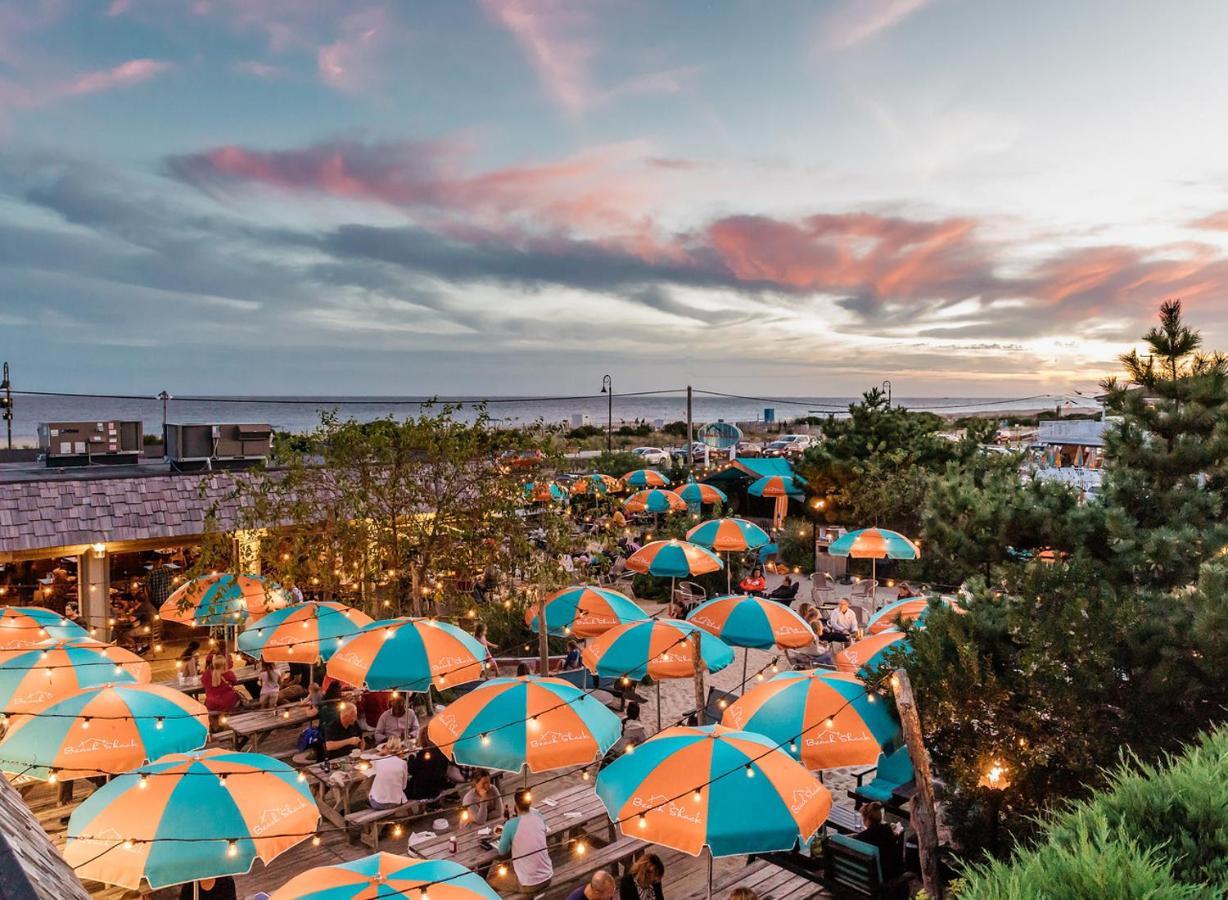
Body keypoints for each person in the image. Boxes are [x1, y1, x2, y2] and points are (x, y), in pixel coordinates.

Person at [496, 790, 553, 893]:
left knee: (492, 880)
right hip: (548, 877)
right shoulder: (539, 816)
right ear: (530, 803)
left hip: (528, 884)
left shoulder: (510, 825)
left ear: (515, 806)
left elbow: (502, 851)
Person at [857, 801, 906, 892]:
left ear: (867, 819)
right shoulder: (886, 830)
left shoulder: (862, 837)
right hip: (888, 873)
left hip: (872, 877)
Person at [366, 735, 408, 810]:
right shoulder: (403, 763)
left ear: (386, 747)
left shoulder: (379, 760)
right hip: (395, 802)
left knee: (370, 787)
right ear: (400, 749)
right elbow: (404, 786)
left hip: (377, 804)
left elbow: (368, 758)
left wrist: (381, 753)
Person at [405, 735, 451, 800]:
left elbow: (411, 770)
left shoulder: (422, 754)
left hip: (424, 791)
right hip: (438, 787)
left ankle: (426, 807)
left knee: (404, 787)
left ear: (422, 739)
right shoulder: (440, 750)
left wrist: (411, 756)